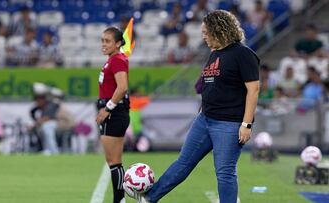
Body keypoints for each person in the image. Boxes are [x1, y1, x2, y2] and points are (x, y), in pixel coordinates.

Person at [129, 10, 260, 203]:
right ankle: (149, 198)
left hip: (228, 124)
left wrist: (246, 124)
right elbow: (210, 85)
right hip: (205, 119)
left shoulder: (243, 54)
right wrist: (203, 107)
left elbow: (254, 90)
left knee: (225, 172)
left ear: (219, 30)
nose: (204, 37)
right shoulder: (215, 54)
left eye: (206, 33)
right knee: (183, 162)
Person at [95, 27, 130, 203]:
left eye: (107, 41)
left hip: (114, 113)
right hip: (115, 112)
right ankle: (120, 199)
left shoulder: (117, 60)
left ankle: (119, 200)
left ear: (118, 43)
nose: (103, 44)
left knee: (114, 161)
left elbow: (122, 87)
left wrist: (107, 109)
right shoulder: (113, 59)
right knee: (113, 161)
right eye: (102, 40)